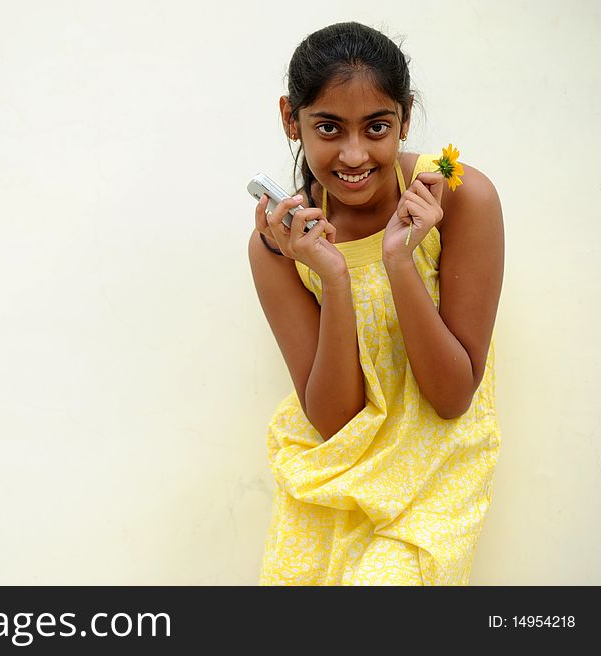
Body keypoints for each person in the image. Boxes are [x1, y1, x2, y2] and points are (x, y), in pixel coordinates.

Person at [248, 21, 504, 585]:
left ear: (405, 117)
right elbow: (334, 418)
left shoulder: (460, 196)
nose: (355, 153)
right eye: (329, 128)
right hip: (334, 471)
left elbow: (453, 396)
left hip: (433, 472)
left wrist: (398, 261)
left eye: (378, 126)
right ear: (292, 118)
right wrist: (334, 279)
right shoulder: (280, 242)